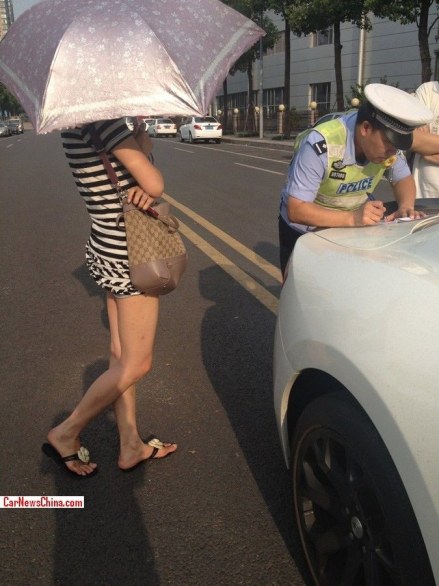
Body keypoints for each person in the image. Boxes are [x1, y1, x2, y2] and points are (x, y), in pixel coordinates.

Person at [42, 118, 177, 477]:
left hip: (104, 243)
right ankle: (66, 433)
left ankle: (130, 444)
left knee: (120, 355)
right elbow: (154, 182)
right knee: (138, 363)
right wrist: (143, 151)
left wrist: (139, 141)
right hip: (129, 251)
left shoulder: (75, 125)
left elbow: (115, 175)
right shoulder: (107, 124)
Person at [278, 83, 434, 276]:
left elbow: (403, 178)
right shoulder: (322, 144)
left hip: (350, 227)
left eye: (396, 147)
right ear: (366, 128)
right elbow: (297, 208)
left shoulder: (387, 149)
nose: (392, 153)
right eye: (389, 144)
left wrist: (405, 206)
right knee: (302, 286)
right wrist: (352, 218)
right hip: (304, 230)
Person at [410, 81, 439, 197]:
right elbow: (415, 140)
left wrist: (429, 148)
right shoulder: (428, 91)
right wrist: (422, 145)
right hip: (425, 197)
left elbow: (424, 144)